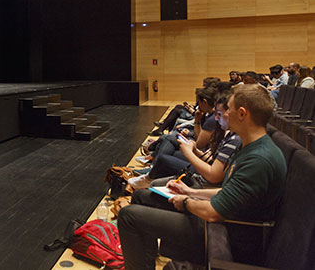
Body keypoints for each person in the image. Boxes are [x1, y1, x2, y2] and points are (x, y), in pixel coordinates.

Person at [118, 84, 287, 269]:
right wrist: (189, 191)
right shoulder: (249, 145)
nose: (223, 112)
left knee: (128, 216)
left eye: (228, 108)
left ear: (242, 114)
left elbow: (213, 213)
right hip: (221, 221)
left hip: (226, 235)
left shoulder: (259, 160)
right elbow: (230, 192)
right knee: (141, 197)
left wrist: (186, 202)